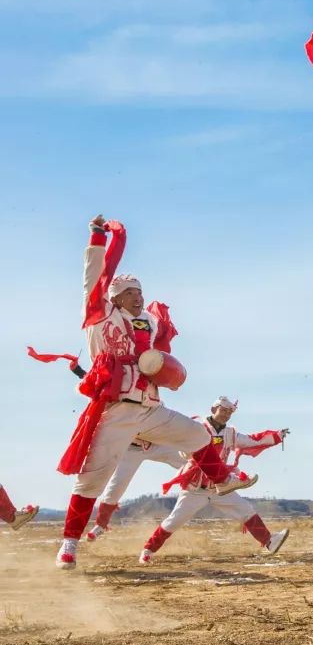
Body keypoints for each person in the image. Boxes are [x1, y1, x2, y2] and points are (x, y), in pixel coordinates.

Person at [56, 217, 247, 569]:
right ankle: (69, 545)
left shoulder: (149, 322)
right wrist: (98, 237)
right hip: (116, 412)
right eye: (129, 291)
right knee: (92, 481)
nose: (137, 295)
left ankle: (220, 480)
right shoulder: (99, 317)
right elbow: (92, 276)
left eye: (139, 290)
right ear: (113, 296)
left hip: (150, 409)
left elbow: (159, 359)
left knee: (196, 434)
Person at [140, 397, 289, 564]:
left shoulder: (230, 433)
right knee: (174, 520)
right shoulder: (197, 428)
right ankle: (147, 551)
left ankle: (270, 541)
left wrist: (276, 436)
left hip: (221, 487)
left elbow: (251, 440)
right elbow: (183, 450)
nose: (226, 414)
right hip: (195, 488)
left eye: (229, 412)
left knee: (246, 510)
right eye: (223, 410)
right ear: (213, 409)